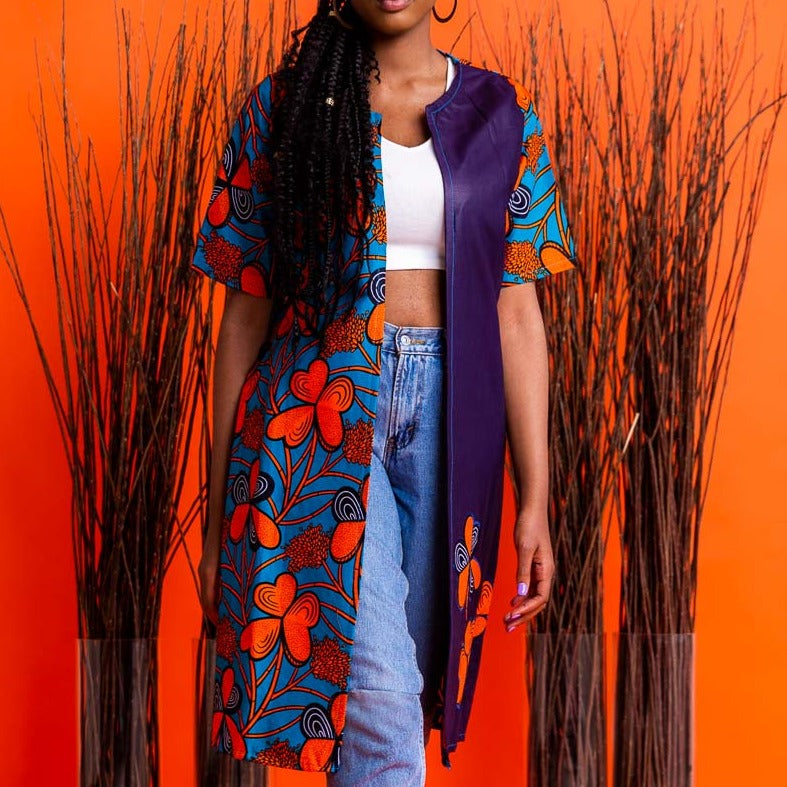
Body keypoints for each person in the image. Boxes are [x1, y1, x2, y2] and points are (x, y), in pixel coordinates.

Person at [193, 0, 577, 782]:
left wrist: (534, 498)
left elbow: (516, 315)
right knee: (382, 707)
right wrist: (214, 510)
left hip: (452, 419)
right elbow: (242, 316)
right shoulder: (285, 105)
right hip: (314, 414)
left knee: (389, 696)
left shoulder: (503, 117)